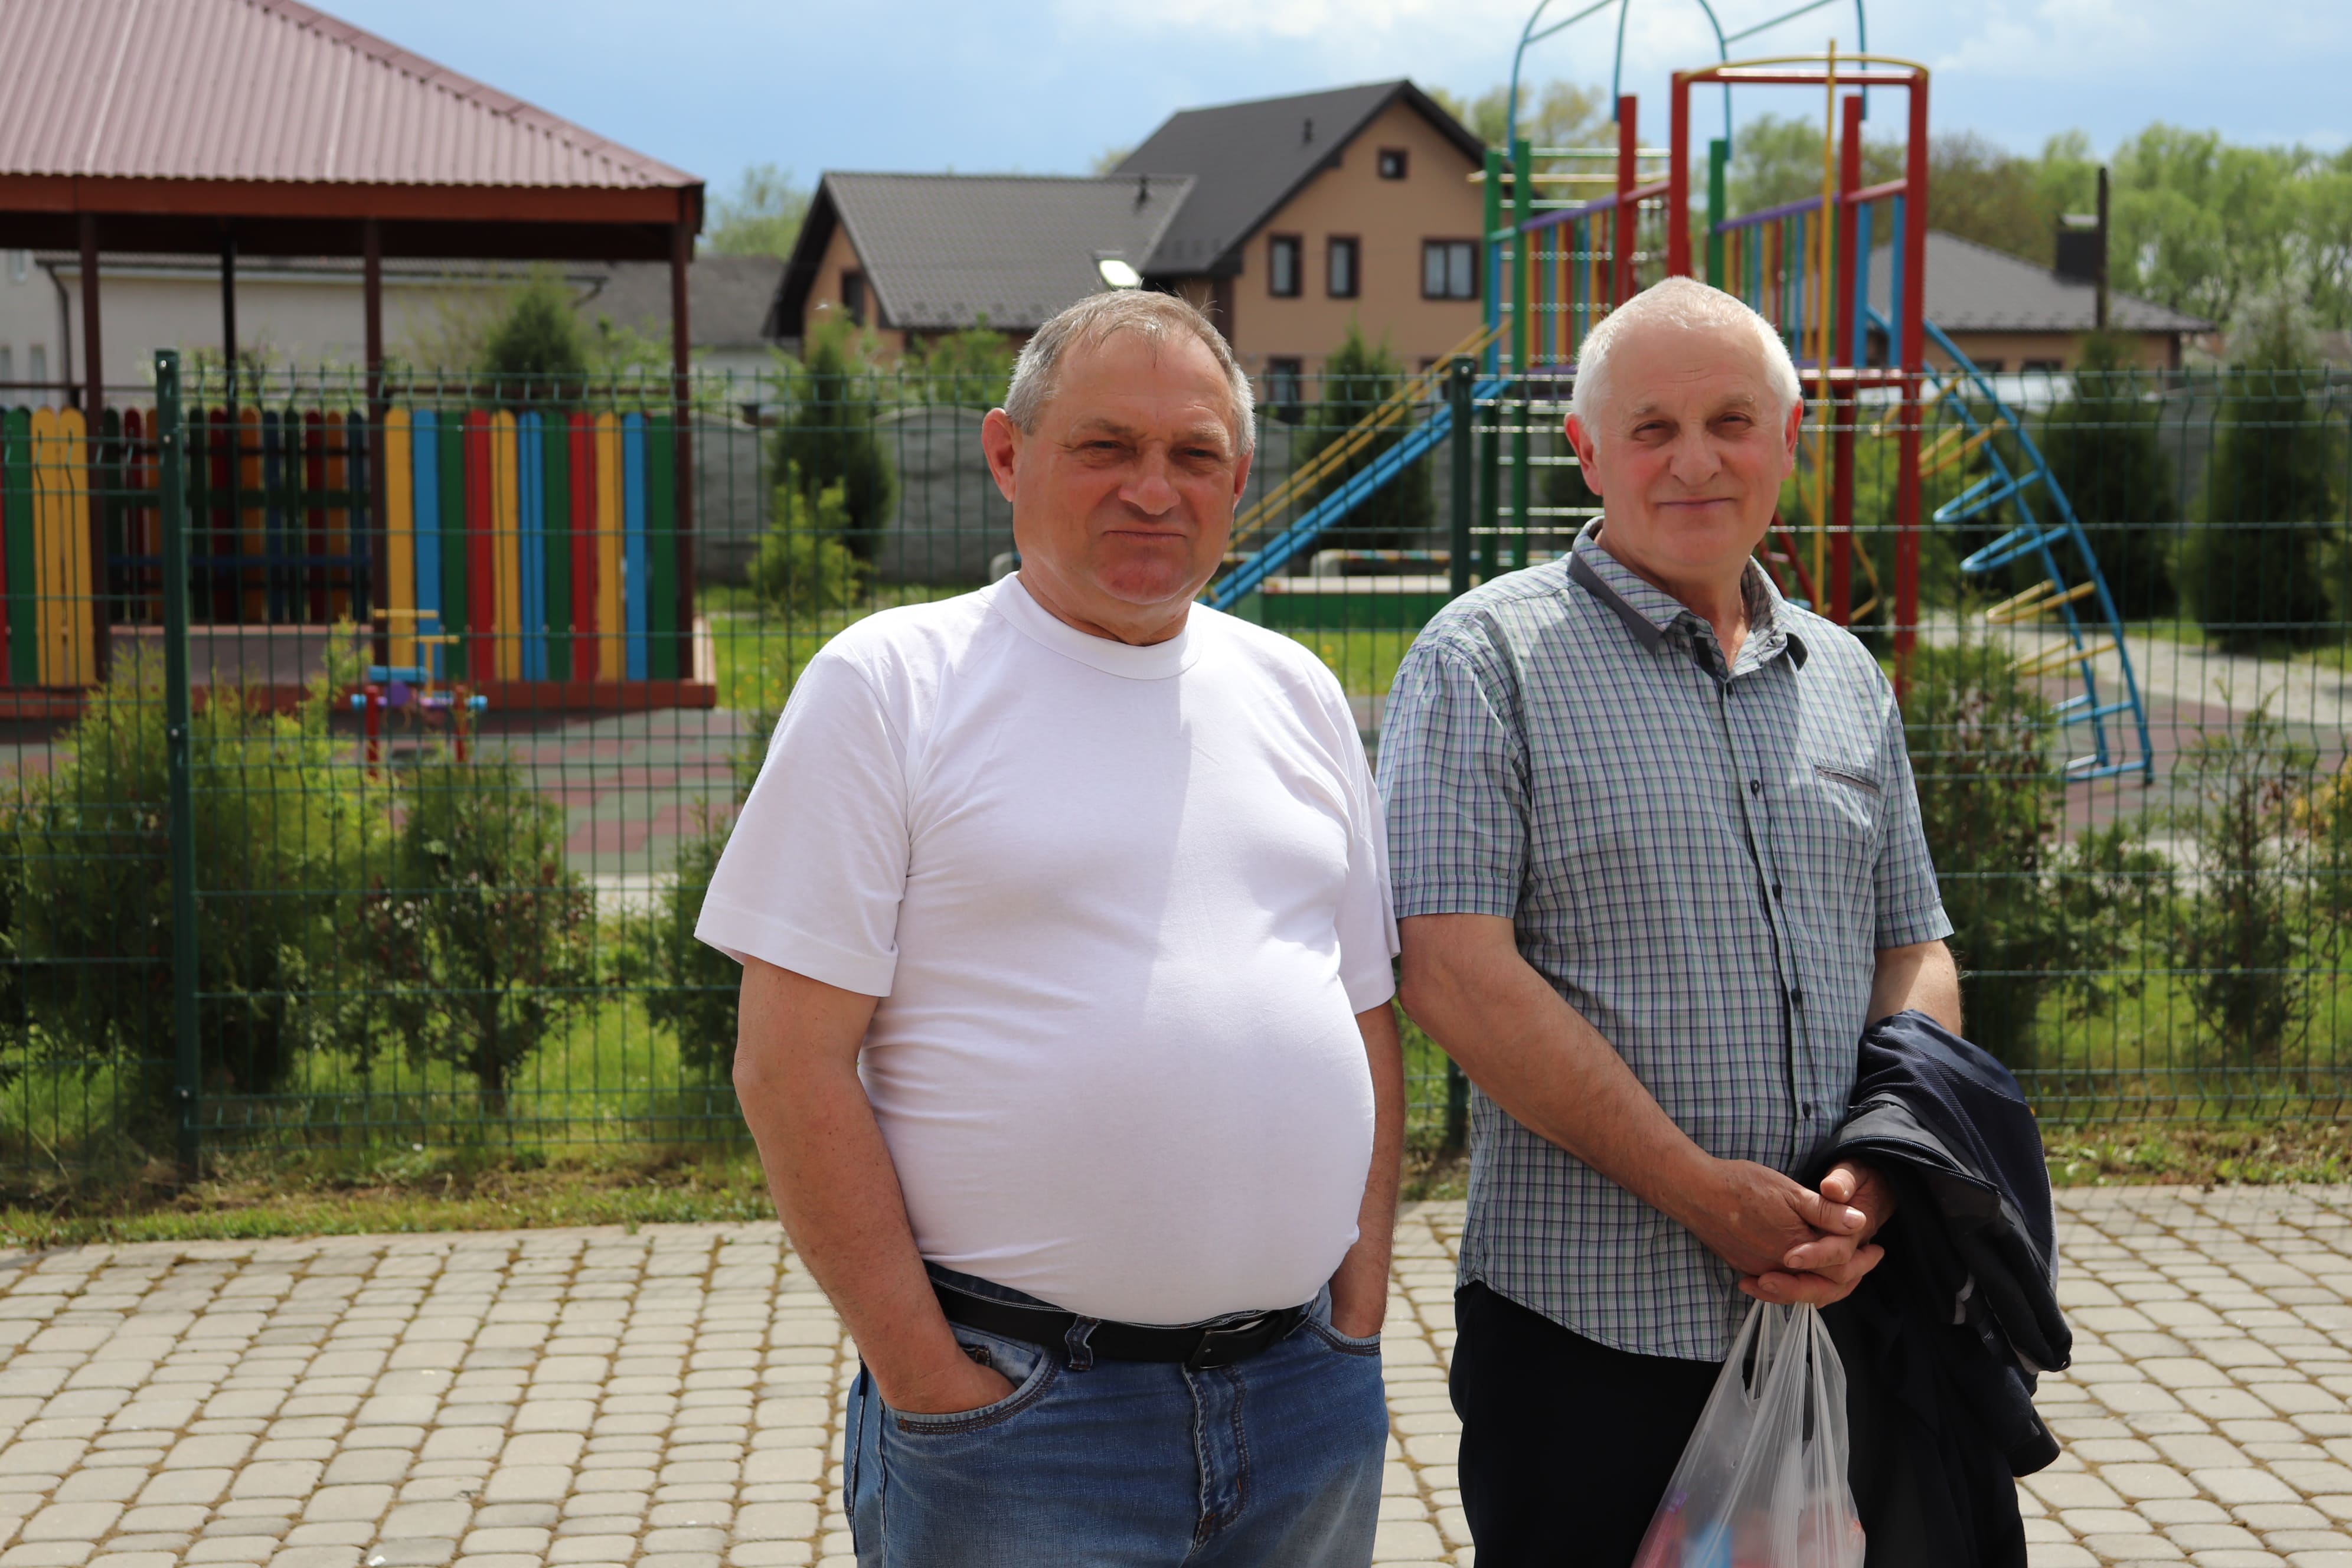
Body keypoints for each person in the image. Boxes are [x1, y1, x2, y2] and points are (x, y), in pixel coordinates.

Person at [703, 290, 1402, 1568]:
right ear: (1007, 454)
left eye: (1194, 454)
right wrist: (925, 1377)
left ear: (1239, 479)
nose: (1154, 488)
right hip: (1022, 1423)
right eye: (1106, 446)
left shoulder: (1296, 691)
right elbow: (788, 1065)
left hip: (1304, 1399)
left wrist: (1357, 1310)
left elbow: (1362, 1009)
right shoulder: (889, 685)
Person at [1377, 276, 1963, 1566]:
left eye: (1731, 422)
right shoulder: (1484, 661)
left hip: (1840, 1304)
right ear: (1587, 451)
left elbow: (1913, 947)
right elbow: (1452, 972)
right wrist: (1701, 1194)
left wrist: (1878, 1176)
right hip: (1591, 1337)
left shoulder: (1843, 674)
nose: (1695, 461)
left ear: (1787, 439)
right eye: (1651, 428)